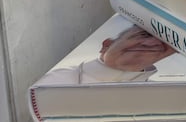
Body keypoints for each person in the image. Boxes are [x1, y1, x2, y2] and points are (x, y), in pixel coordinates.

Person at [37, 25, 177, 84]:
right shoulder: (61, 79)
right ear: (107, 44)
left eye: (163, 45)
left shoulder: (156, 97)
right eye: (143, 35)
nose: (151, 44)